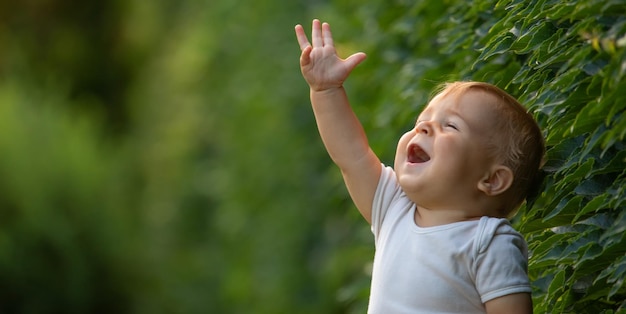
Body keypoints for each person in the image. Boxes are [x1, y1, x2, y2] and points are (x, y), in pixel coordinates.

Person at [295, 19, 545, 314]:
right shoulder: (394, 207)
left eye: (450, 126)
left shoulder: (489, 243)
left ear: (491, 180)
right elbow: (351, 155)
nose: (424, 127)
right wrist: (326, 91)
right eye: (422, 121)